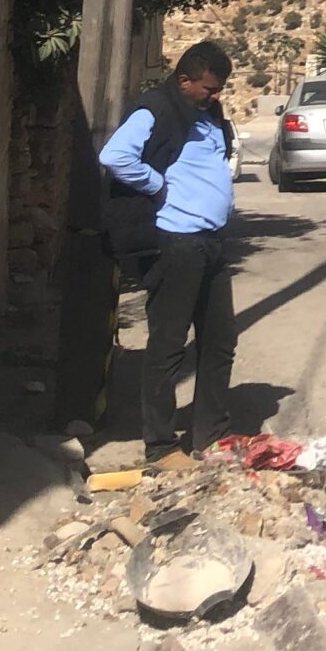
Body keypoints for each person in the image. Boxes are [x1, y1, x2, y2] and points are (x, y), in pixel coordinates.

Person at [99, 41, 237, 470]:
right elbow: (114, 156)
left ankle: (211, 436)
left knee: (220, 341)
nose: (215, 95)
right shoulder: (156, 110)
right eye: (209, 88)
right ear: (184, 80)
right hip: (176, 242)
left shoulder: (208, 115)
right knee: (168, 345)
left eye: (219, 89)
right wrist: (156, 184)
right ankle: (160, 446)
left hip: (212, 242)